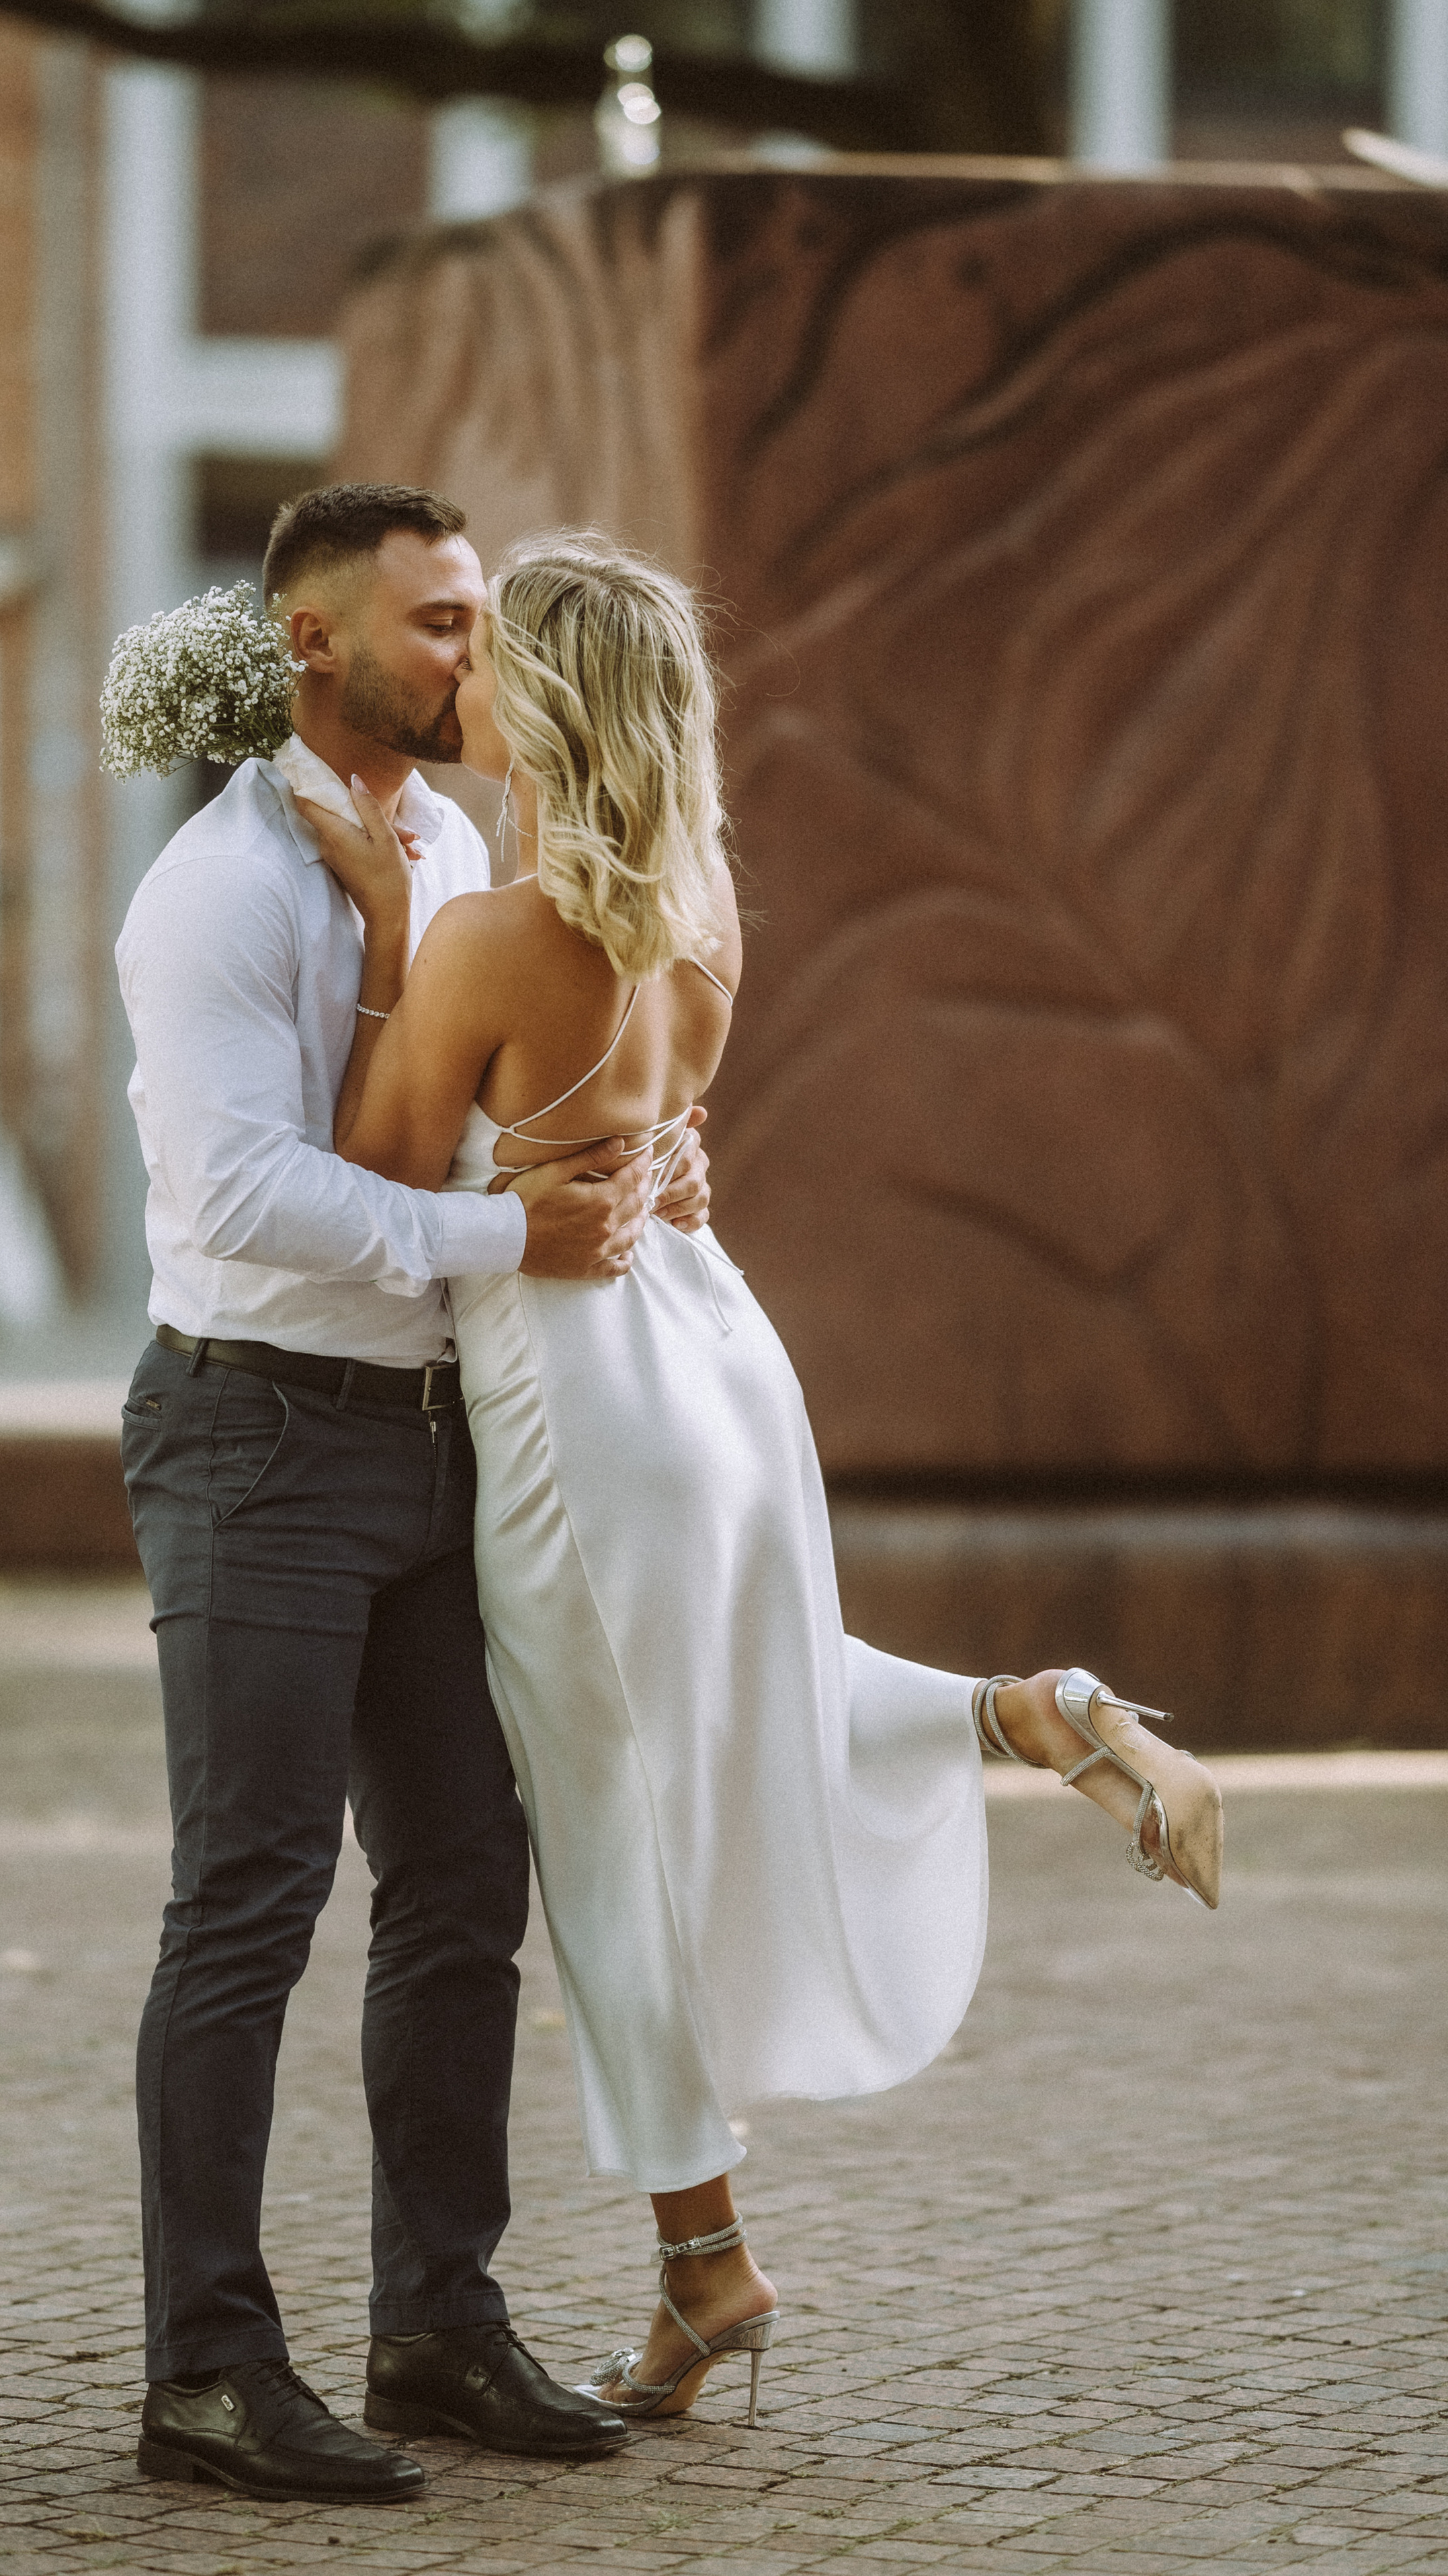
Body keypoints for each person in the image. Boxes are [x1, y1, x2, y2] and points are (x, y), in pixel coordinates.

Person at [306, 529, 1226, 2432]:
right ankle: (1031, 1708)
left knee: (613, 1830)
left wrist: (388, 938)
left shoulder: (491, 933)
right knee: (760, 1697)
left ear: (545, 696)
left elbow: (366, 1169)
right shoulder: (697, 919)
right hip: (715, 1352)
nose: (457, 673)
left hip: (581, 1394)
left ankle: (705, 2261)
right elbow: (655, 1137)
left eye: (488, 651)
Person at [115, 485, 715, 2505]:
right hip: (257, 1435)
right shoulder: (211, 889)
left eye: (482, 622)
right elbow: (245, 1195)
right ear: (312, 641)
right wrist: (504, 1239)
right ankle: (204, 2368)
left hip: (438, 1441)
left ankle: (437, 2321)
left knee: (465, 1884)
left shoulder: (454, 847)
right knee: (251, 1902)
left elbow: (503, 1109)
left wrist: (634, 1185)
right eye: (443, 625)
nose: (477, 658)